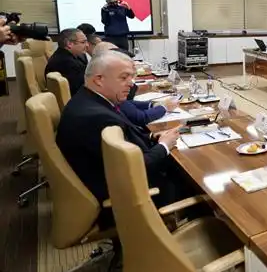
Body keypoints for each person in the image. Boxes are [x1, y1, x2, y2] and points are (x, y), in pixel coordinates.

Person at [56, 51, 189, 229]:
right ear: (99, 80)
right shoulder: (97, 118)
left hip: (110, 179)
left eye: (131, 77)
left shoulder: (90, 101)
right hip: (127, 196)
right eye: (124, 77)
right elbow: (134, 167)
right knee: (191, 175)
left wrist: (151, 136)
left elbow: (125, 140)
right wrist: (164, 146)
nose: (131, 83)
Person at [45, 28, 89, 95]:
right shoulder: (68, 64)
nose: (87, 45)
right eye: (83, 42)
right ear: (69, 44)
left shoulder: (61, 55)